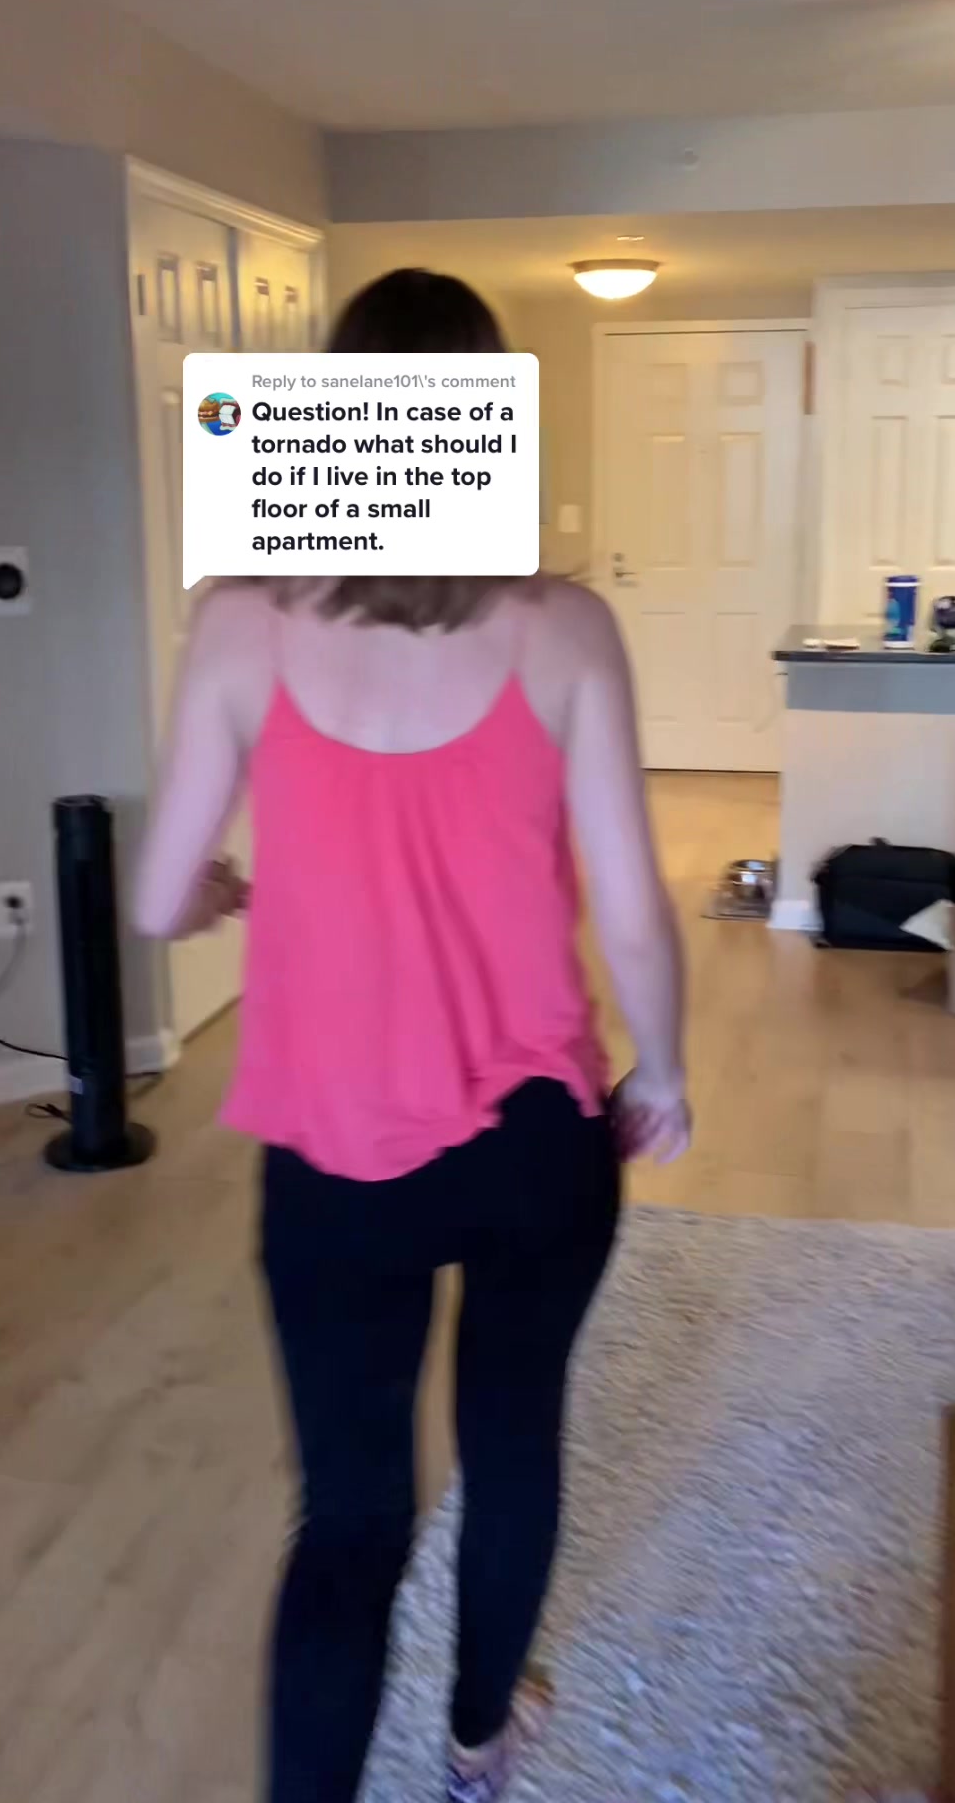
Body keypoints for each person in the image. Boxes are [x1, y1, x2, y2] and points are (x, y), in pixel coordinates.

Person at [134, 268, 690, 1803]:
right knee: (513, 1444)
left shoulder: (237, 623)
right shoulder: (567, 628)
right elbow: (634, 907)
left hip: (333, 1163)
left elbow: (157, 896)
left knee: (351, 1519)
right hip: (535, 1144)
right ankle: (476, 1743)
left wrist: (217, 891)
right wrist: (666, 1072)